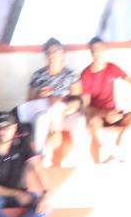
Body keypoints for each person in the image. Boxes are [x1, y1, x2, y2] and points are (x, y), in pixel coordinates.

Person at [15, 39, 86, 168]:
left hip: (65, 113)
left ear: (63, 53)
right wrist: (40, 96)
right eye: (49, 52)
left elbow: (78, 100)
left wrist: (60, 102)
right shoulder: (38, 76)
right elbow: (30, 103)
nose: (52, 55)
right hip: (44, 113)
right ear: (46, 55)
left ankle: (77, 154)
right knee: (42, 118)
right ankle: (40, 157)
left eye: (56, 51)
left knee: (79, 120)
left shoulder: (71, 75)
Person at [78, 37, 131, 164]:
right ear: (90, 52)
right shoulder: (86, 74)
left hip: (113, 113)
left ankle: (115, 152)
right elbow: (85, 108)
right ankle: (114, 154)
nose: (97, 53)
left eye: (99, 49)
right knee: (94, 123)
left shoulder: (112, 68)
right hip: (97, 115)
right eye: (93, 50)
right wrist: (105, 114)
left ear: (104, 50)